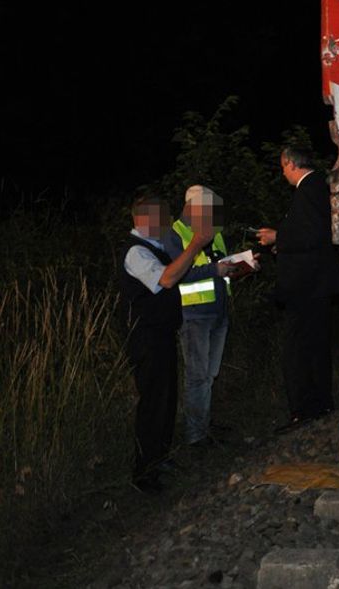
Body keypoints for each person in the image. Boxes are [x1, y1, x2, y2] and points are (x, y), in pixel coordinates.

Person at [120, 194, 212, 493]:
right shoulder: (135, 252)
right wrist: (195, 245)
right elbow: (167, 279)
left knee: (166, 398)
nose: (166, 223)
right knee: (153, 402)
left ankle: (159, 457)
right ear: (145, 219)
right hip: (146, 339)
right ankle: (144, 473)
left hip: (161, 335)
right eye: (162, 217)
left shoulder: (153, 249)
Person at [257, 147, 339, 434]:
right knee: (316, 345)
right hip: (315, 285)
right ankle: (321, 404)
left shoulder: (308, 189)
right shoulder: (317, 187)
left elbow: (313, 234)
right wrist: (282, 243)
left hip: (306, 287)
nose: (282, 172)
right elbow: (310, 235)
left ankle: (305, 409)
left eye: (282, 167)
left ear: (290, 163)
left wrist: (278, 236)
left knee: (299, 348)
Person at [172, 185, 235, 448]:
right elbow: (177, 274)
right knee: (197, 377)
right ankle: (196, 436)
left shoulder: (213, 232)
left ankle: (204, 425)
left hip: (218, 313)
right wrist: (215, 270)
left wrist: (238, 266)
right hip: (194, 316)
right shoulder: (175, 234)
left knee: (209, 375)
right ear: (190, 208)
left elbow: (221, 265)